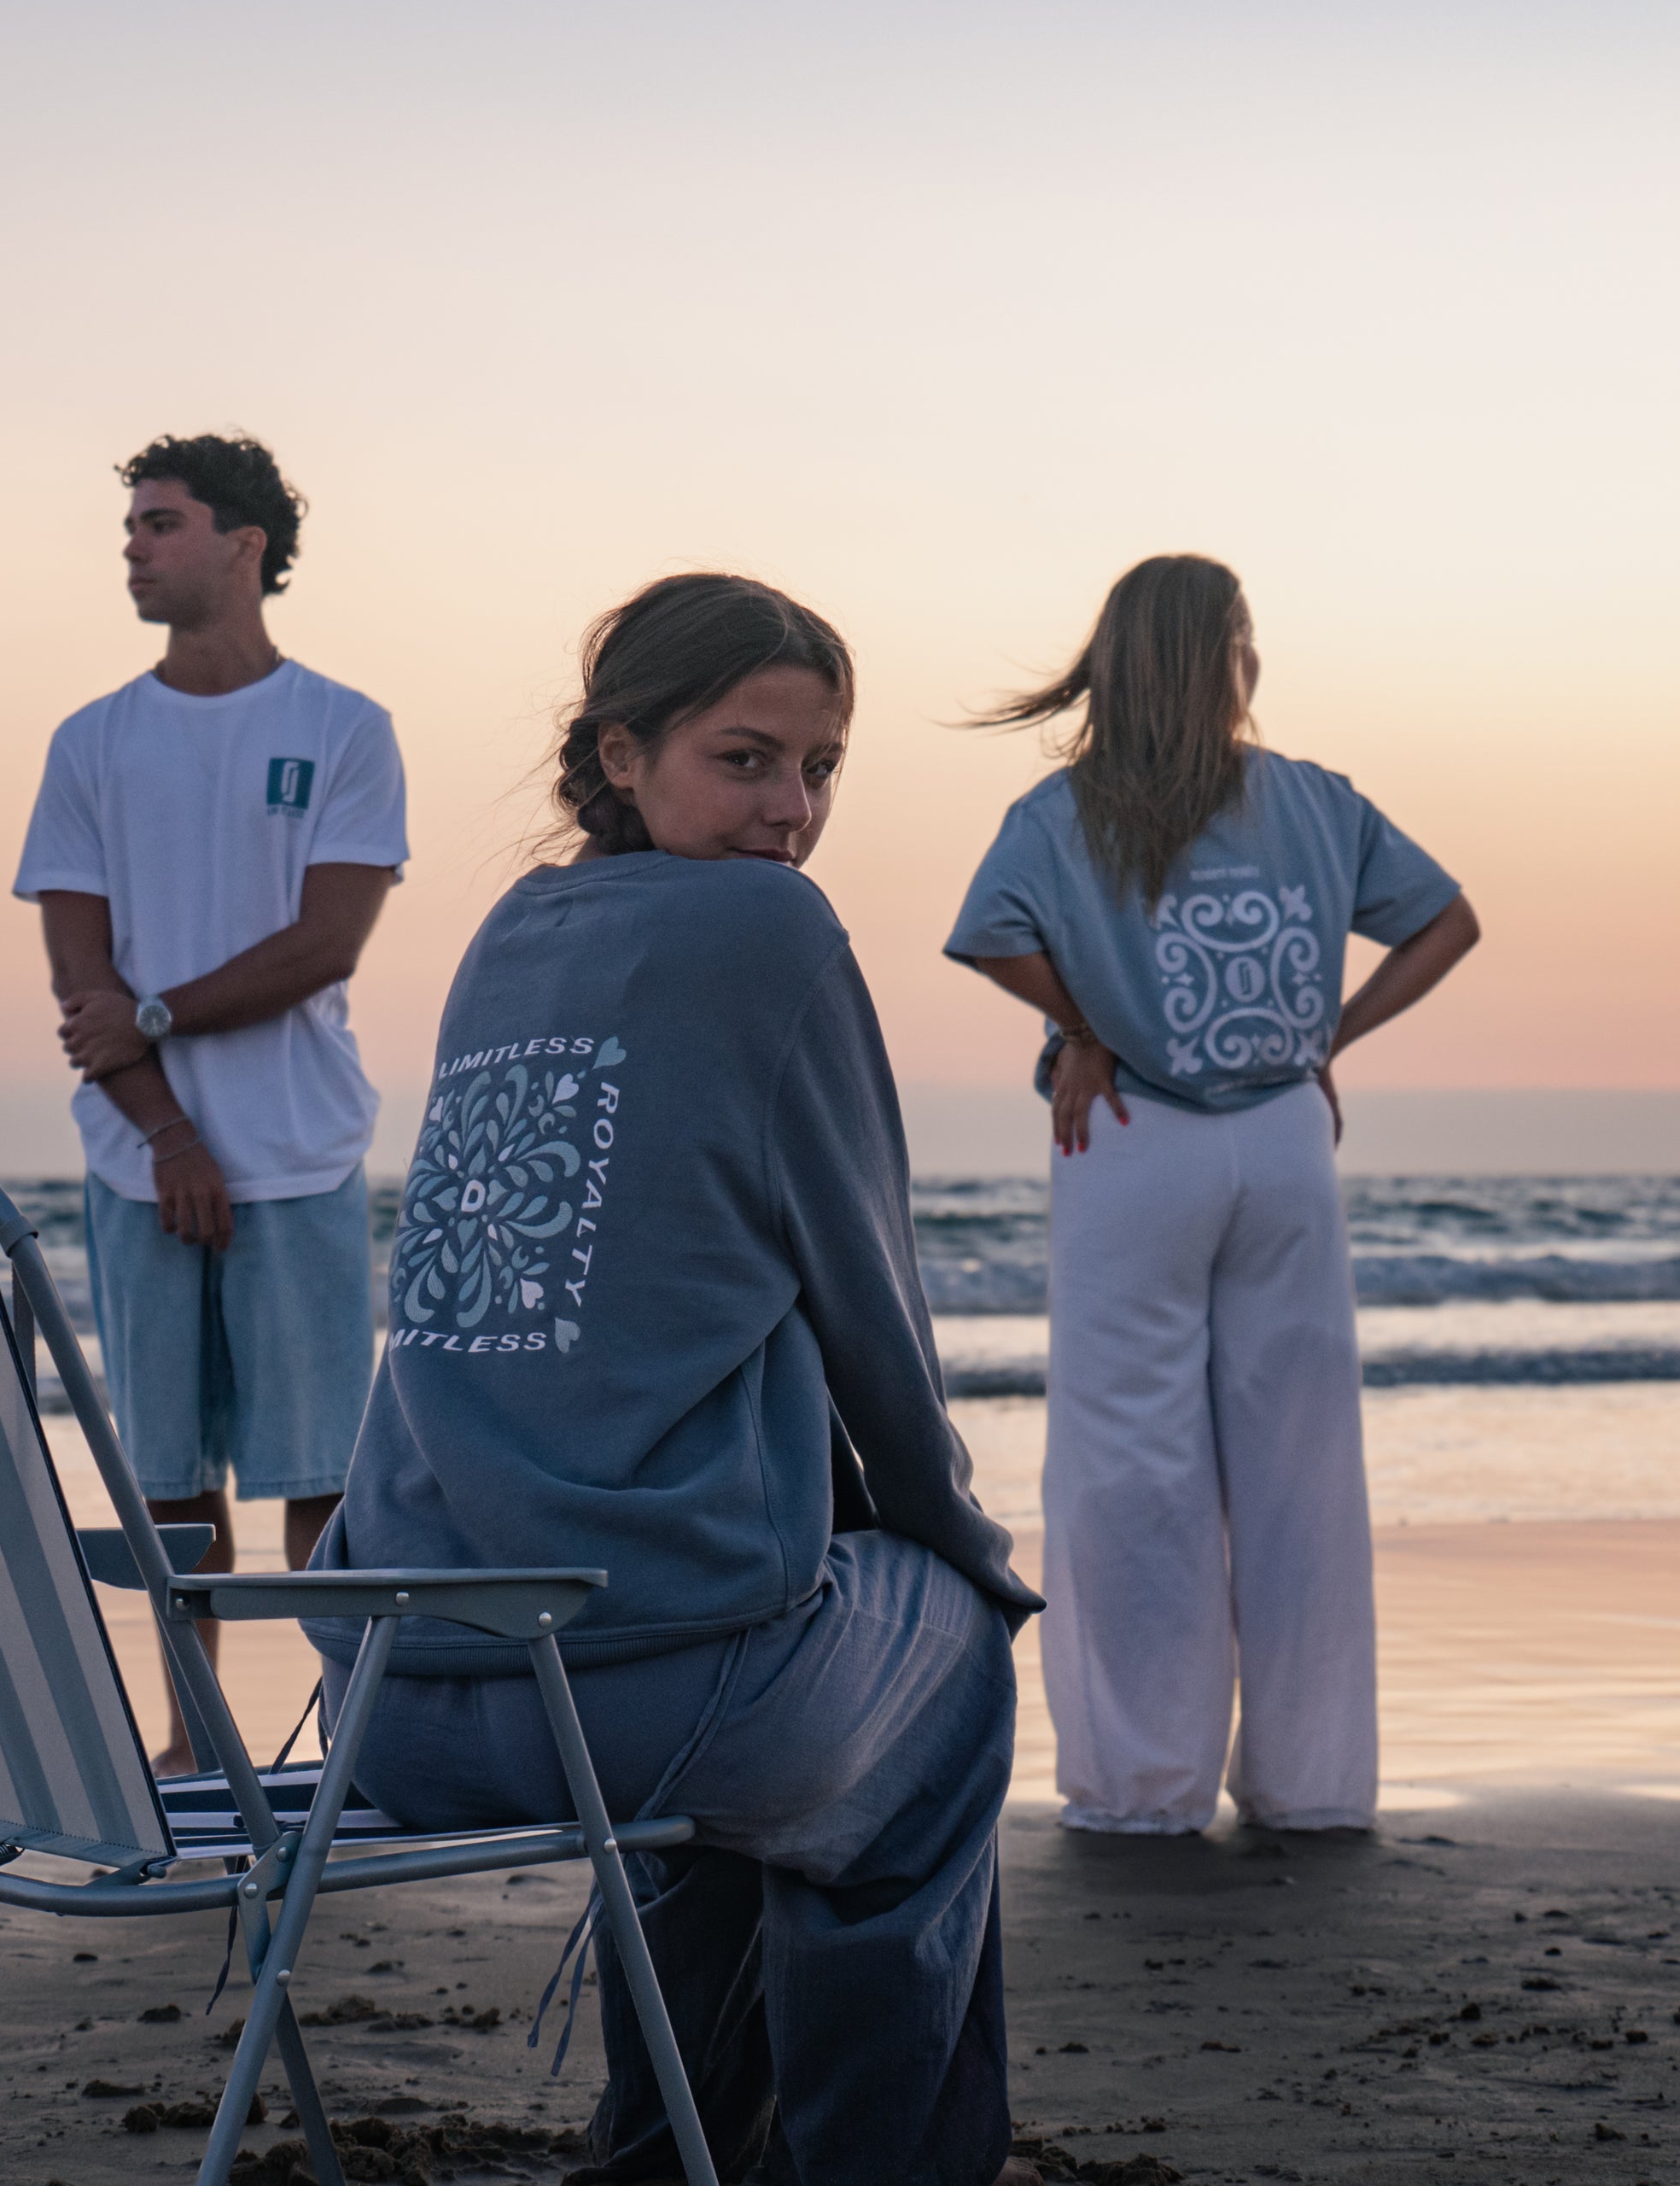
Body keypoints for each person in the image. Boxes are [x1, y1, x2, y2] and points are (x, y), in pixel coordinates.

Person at [309, 574, 1044, 2186]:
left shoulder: (516, 931)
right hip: (626, 1698)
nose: (793, 812)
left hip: (405, 1695)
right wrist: (967, 1560)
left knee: (769, 1660)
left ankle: (668, 2149)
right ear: (621, 754)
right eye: (746, 759)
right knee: (945, 1690)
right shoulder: (767, 929)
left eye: (822, 768)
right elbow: (871, 1310)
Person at [946, 554, 1479, 1838]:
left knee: (1129, 1464)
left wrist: (1083, 1027)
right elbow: (1447, 923)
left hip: (1131, 1129)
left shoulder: (1065, 813)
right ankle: (1313, 1784)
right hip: (1286, 1137)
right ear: (1233, 652)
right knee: (1301, 1465)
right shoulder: (1312, 801)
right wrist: (1327, 1041)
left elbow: (989, 938)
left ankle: (1143, 1785)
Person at [15, 431, 407, 1774]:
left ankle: (358, 1733)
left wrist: (165, 1020)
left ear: (244, 547)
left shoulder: (344, 729)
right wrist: (169, 1131)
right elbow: (83, 985)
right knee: (169, 1479)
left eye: (160, 523)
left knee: (321, 1476)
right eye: (132, 525)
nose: (133, 545)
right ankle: (198, 1738)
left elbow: (326, 945)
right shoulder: (93, 742)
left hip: (298, 1154)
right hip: (137, 1168)